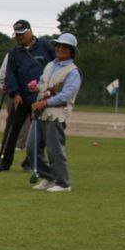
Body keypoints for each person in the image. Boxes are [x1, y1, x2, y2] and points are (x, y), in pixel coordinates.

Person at [0, 20, 54, 171]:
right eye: (17, 35)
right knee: (12, 131)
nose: (19, 38)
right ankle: (4, 161)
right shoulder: (14, 53)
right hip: (21, 98)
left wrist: (50, 91)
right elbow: (10, 74)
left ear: (30, 32)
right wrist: (15, 93)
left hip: (41, 97)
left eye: (22, 34)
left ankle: (31, 162)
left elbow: (55, 66)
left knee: (40, 133)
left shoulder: (45, 47)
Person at [29, 34, 82, 193]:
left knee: (54, 150)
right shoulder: (49, 65)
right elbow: (44, 84)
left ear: (71, 51)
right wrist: (36, 87)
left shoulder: (73, 72)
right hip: (40, 113)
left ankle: (63, 183)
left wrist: (44, 102)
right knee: (32, 147)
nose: (60, 49)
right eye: (58, 46)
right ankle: (48, 176)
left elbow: (66, 95)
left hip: (57, 114)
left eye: (64, 47)